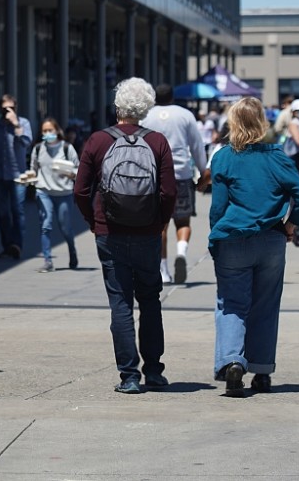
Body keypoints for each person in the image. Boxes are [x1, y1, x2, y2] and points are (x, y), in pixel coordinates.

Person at [74, 77, 176, 394]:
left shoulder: (98, 141)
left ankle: (129, 376)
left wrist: (94, 221)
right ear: (145, 108)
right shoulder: (157, 142)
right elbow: (169, 192)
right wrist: (159, 222)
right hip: (147, 233)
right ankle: (155, 371)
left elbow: (80, 190)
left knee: (120, 303)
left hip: (110, 230)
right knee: (150, 300)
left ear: (117, 106)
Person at [208, 97, 299, 397]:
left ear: (233, 123)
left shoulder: (223, 157)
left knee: (231, 303)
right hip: (270, 239)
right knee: (265, 306)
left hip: (232, 238)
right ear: (261, 123)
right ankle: (262, 372)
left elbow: (218, 208)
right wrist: (292, 225)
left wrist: (215, 237)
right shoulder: (276, 156)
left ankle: (231, 362)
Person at [140, 84, 208, 284]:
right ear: (172, 97)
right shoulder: (185, 115)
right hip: (181, 174)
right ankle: (181, 252)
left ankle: (163, 271)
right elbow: (196, 144)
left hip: (155, 175)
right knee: (183, 221)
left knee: (160, 225)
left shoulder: (147, 116)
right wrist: (203, 171)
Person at [0, 93, 33, 259]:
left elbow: (26, 143)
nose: (8, 111)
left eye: (11, 108)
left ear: (16, 108)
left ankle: (17, 244)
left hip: (18, 176)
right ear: (0, 109)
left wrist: (16, 124)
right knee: (2, 213)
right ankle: (7, 245)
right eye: (5, 109)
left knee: (17, 211)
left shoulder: (23, 123)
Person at [29, 116, 80, 272]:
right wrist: (29, 180)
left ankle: (72, 251)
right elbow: (33, 170)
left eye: (50, 130)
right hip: (44, 192)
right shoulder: (38, 149)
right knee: (46, 225)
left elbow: (78, 170)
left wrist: (71, 174)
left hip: (64, 193)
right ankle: (48, 260)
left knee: (66, 228)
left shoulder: (67, 148)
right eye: (44, 131)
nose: (47, 133)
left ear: (57, 131)